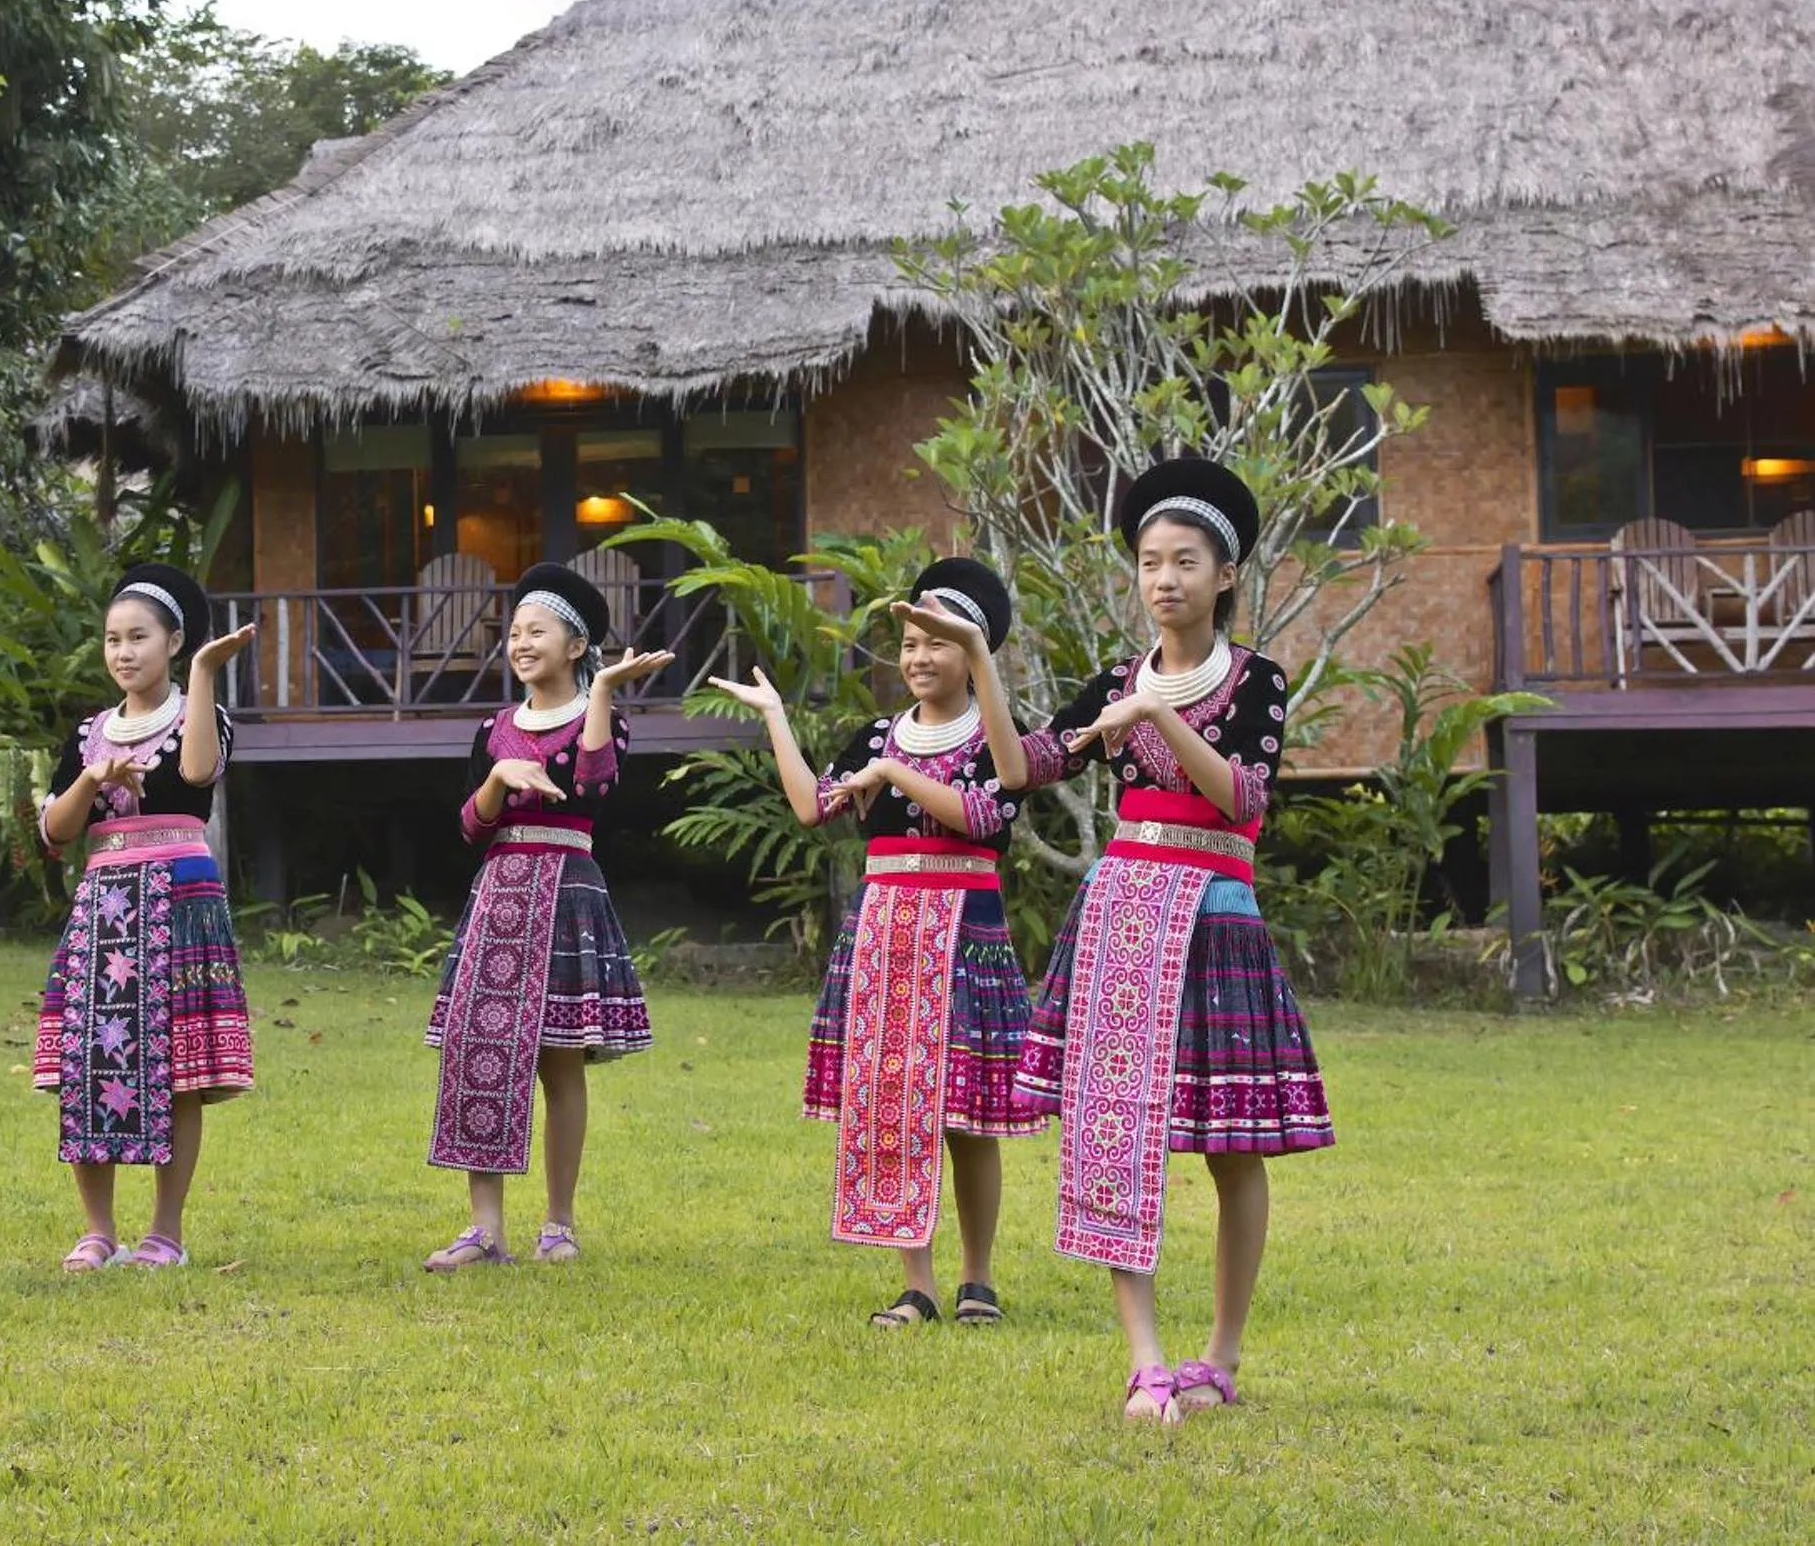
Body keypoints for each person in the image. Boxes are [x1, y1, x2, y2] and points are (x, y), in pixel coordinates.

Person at [914, 457, 1334, 1420]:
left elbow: (1245, 796)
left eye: (1185, 560)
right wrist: (982, 660)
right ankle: (1146, 1360)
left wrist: (1154, 715)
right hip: (1124, 912)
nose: (1165, 579)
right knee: (1109, 1128)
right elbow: (1020, 766)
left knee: (1234, 1148)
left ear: (1225, 575)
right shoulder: (1111, 681)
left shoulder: (1257, 681)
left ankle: (1219, 1357)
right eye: (1150, 562)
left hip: (1218, 923)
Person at [713, 558, 1041, 1328]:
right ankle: (916, 1283)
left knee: (965, 1116)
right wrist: (775, 716)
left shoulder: (1000, 737)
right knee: (896, 1107)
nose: (919, 657)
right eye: (909, 643)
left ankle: (978, 1279)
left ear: (975, 651)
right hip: (886, 934)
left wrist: (893, 768)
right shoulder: (874, 734)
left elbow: (984, 817)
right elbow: (812, 806)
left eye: (937, 642)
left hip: (965, 935)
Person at [421, 563, 671, 1269]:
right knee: (481, 1050)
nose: (521, 643)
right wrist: (499, 778)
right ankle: (486, 1228)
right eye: (516, 631)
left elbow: (592, 782)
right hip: (499, 893)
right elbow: (471, 828)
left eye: (539, 631)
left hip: (567, 890)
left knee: (560, 1063)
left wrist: (604, 691)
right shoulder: (494, 728)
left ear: (575, 645)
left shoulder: (604, 718)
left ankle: (558, 1223)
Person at [32, 563, 258, 1272]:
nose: (124, 652)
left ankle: (165, 1232)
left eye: (139, 637)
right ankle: (98, 1229)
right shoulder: (88, 733)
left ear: (174, 642)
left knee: (179, 1066)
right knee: (88, 1059)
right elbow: (54, 832)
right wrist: (92, 777)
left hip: (181, 896)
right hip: (104, 904)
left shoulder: (204, 715)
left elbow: (194, 775)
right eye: (112, 639)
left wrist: (202, 676)